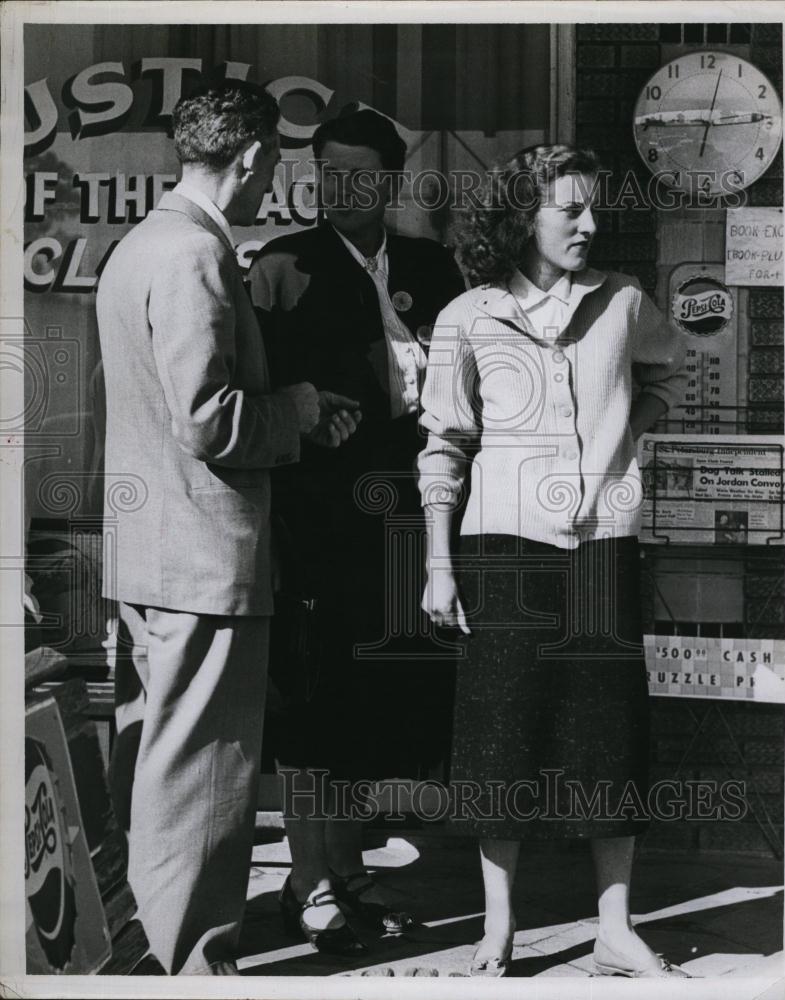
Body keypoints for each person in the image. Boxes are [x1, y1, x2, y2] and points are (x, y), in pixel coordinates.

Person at [97, 82, 359, 975]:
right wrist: (297, 406)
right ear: (250, 159)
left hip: (154, 555)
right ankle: (196, 965)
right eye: (274, 165)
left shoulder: (143, 243)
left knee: (161, 765)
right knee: (204, 778)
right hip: (203, 558)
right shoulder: (193, 256)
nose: (271, 181)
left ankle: (157, 943)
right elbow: (208, 419)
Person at [418, 145, 692, 978]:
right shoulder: (467, 316)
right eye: (567, 209)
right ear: (519, 219)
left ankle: (614, 930)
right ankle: (497, 928)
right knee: (499, 735)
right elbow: (444, 443)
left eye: (591, 207)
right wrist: (436, 561)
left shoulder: (624, 303)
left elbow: (667, 370)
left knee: (609, 734)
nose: (589, 223)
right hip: (500, 544)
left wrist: (624, 437)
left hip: (602, 542)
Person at [248, 108, 466, 954]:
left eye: (360, 175)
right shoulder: (281, 267)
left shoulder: (427, 264)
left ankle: (343, 872)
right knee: (310, 706)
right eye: (326, 172)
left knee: (366, 708)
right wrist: (303, 419)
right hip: (314, 523)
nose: (341, 189)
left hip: (406, 516)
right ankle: (311, 887)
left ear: (390, 181)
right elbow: (252, 394)